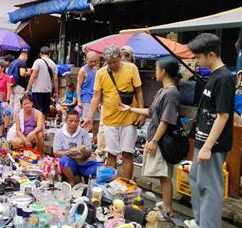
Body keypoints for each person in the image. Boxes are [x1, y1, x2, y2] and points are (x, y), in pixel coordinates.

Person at [118, 56, 180, 216]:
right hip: (157, 137)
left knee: (164, 174)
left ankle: (168, 209)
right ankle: (166, 205)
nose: (155, 72)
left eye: (157, 68)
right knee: (161, 174)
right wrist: (129, 109)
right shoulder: (163, 91)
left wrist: (154, 140)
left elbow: (166, 120)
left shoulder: (171, 93)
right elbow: (151, 112)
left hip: (162, 140)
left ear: (163, 71)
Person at [186, 33, 234, 228]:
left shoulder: (224, 78)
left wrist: (207, 146)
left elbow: (222, 116)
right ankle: (200, 222)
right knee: (196, 180)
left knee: (210, 187)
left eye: (198, 57)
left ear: (211, 54)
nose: (196, 61)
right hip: (203, 140)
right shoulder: (214, 76)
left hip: (213, 145)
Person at [83, 45, 145, 180]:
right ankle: (112, 184)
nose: (112, 65)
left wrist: (141, 113)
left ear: (120, 57)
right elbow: (96, 96)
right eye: (109, 62)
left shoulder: (131, 68)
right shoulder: (101, 73)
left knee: (127, 153)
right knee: (111, 154)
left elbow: (139, 92)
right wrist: (89, 117)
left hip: (129, 119)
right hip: (109, 120)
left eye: (114, 62)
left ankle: (127, 184)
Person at [53, 109, 100, 186]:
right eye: (70, 121)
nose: (74, 124)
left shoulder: (83, 133)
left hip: (83, 163)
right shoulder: (59, 133)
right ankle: (71, 181)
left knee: (99, 168)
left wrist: (83, 150)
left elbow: (89, 154)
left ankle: (87, 180)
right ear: (65, 121)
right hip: (69, 163)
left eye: (76, 121)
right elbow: (56, 153)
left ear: (79, 121)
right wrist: (67, 153)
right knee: (64, 160)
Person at [25, 46, 59, 116]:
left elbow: (33, 76)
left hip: (37, 90)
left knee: (37, 110)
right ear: (49, 54)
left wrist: (28, 89)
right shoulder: (53, 64)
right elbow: (55, 79)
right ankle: (42, 125)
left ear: (40, 54)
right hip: (48, 91)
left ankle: (39, 125)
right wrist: (56, 92)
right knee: (45, 111)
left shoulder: (38, 61)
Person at [77, 51, 100, 144]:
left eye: (95, 61)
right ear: (86, 60)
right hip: (86, 98)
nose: (93, 63)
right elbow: (79, 85)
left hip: (96, 97)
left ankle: (94, 138)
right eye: (91, 61)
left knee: (97, 120)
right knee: (86, 120)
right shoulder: (83, 70)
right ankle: (82, 140)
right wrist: (79, 101)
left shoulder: (97, 70)